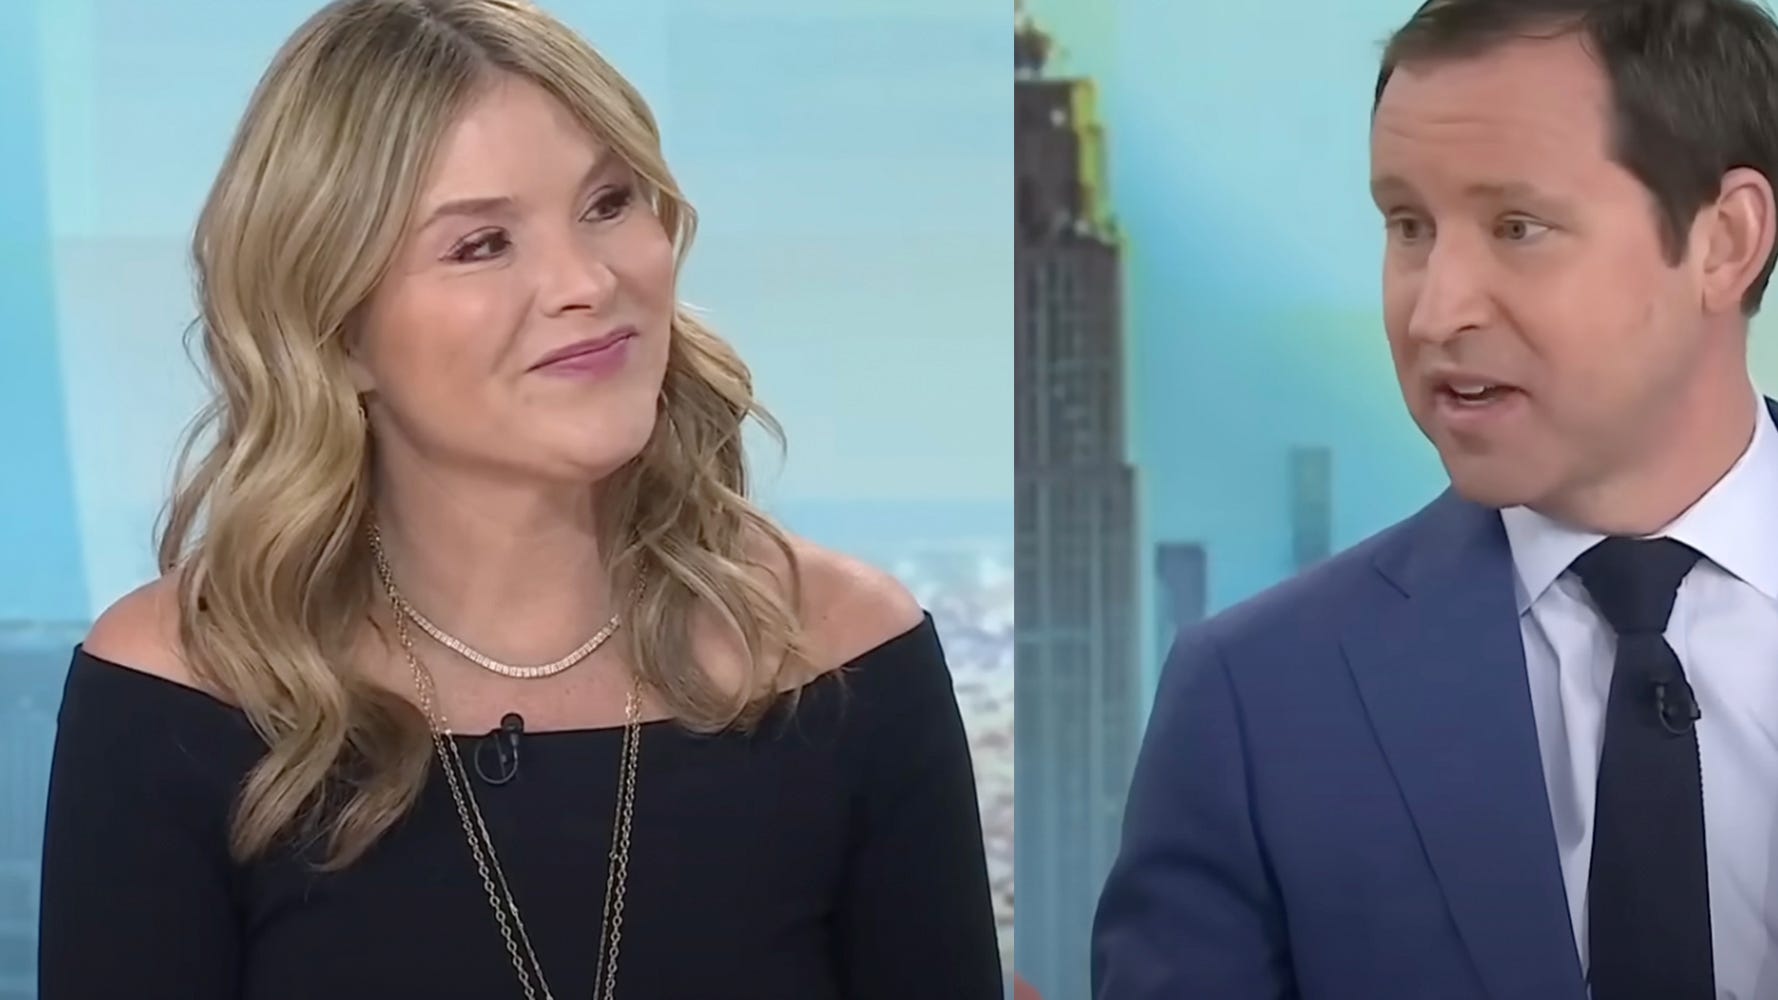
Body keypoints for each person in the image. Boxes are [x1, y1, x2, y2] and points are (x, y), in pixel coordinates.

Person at [35, 1, 1002, 997]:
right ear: (338, 335)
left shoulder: (843, 655)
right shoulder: (181, 692)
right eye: (482, 244)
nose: (586, 281)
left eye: (609, 202)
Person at [1092, 0, 1778, 997]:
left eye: (1517, 227)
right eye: (1407, 226)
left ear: (1723, 242)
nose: (1435, 309)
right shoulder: (1256, 700)